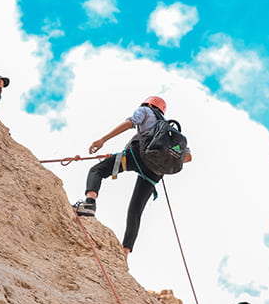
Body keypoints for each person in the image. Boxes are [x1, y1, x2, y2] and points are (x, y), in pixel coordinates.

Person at [73, 96, 191, 258]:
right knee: (136, 209)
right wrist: (161, 159)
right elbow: (187, 157)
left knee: (97, 171)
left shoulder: (145, 110)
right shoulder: (172, 132)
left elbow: (130, 123)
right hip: (155, 172)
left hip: (137, 156)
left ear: (148, 104)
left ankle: (89, 204)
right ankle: (125, 252)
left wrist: (102, 140)